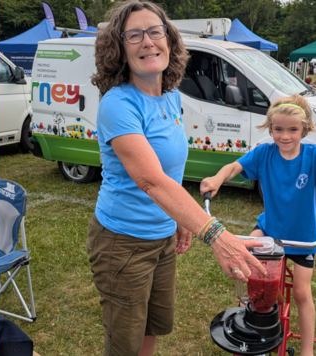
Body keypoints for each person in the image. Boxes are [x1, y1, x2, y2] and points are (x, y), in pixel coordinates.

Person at [87, 1, 266, 355]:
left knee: (152, 330)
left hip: (162, 238)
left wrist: (178, 216)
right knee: (125, 345)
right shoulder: (118, 104)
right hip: (122, 244)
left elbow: (171, 168)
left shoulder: (170, 98)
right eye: (134, 35)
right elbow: (151, 180)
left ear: (169, 40)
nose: (148, 42)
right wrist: (216, 235)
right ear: (119, 49)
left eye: (155, 32)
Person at [201, 94, 316, 356]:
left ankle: (306, 350)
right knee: (250, 276)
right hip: (269, 230)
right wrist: (218, 178)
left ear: (305, 129)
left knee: (301, 293)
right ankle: (257, 333)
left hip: (303, 238)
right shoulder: (264, 153)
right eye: (278, 129)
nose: (285, 136)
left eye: (293, 129)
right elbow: (233, 167)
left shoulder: (315, 156)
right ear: (270, 128)